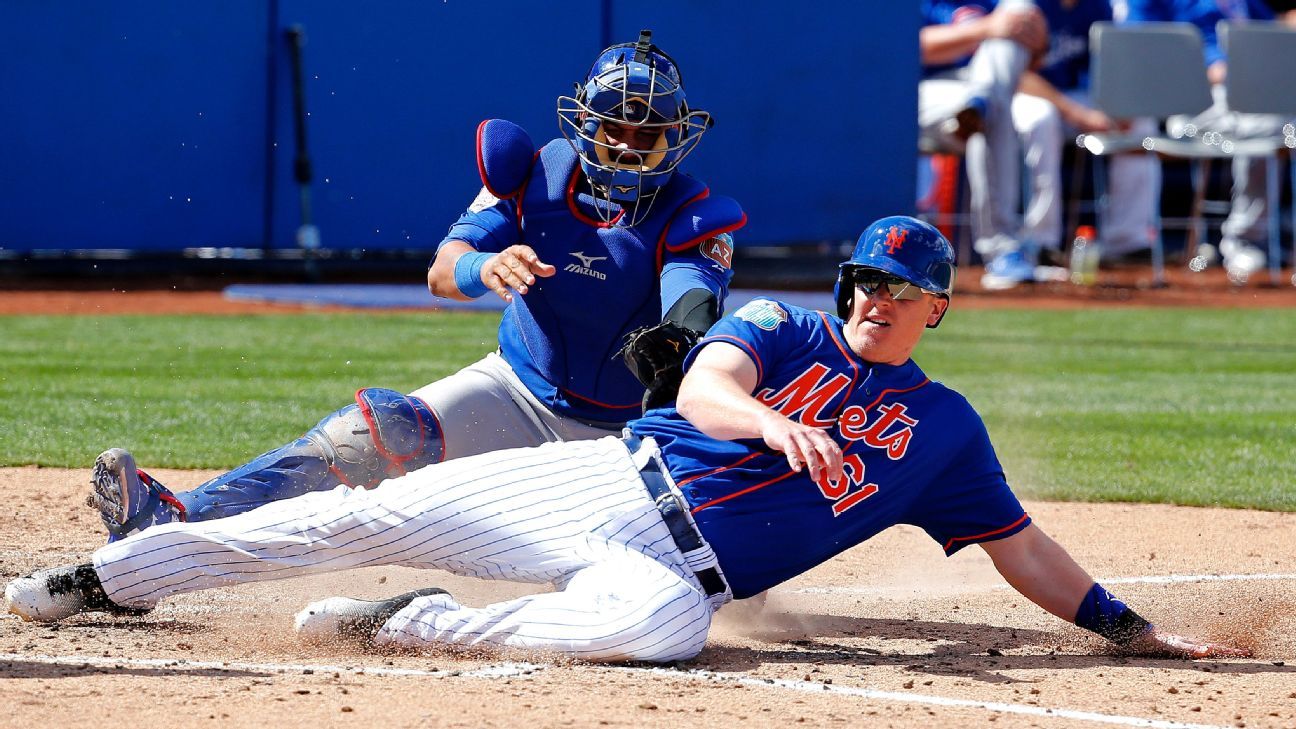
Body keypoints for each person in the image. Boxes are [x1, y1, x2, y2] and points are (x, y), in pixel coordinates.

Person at [6, 216, 1247, 665]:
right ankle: (101, 579)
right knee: (353, 514)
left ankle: (413, 623)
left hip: (668, 570)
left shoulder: (946, 432)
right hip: (598, 480)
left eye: (897, 288)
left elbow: (1018, 545)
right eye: (862, 278)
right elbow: (706, 388)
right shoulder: (783, 323)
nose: (872, 298)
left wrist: (1126, 630)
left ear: (937, 307)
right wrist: (776, 422)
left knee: (662, 632)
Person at [84, 29, 746, 542]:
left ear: (675, 138)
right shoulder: (530, 173)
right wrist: (481, 268)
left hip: (629, 429)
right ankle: (179, 515)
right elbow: (441, 268)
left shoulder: (695, 214)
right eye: (615, 130)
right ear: (586, 124)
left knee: (689, 556)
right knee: (377, 434)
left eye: (648, 135)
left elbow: (692, 301)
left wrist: (681, 338)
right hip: (520, 391)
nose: (630, 148)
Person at [1118, 0, 1289, 283]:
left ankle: (1262, 236)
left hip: (1247, 95)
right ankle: (1246, 241)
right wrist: (1205, 68)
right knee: (1268, 122)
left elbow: (1266, 34)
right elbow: (1138, 44)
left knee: (1274, 118)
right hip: (1191, 100)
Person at [1012, 0, 1158, 262]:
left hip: (1074, 98)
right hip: (1026, 96)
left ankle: (1127, 240)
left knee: (1139, 122)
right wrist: (1078, 114)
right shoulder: (1025, 7)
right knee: (1041, 120)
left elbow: (1110, 66)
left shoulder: (1098, 7)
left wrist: (1118, 102)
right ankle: (1040, 242)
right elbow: (1016, 75)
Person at [919, 0, 1051, 290]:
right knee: (996, 108)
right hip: (922, 92)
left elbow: (1032, 61)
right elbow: (910, 47)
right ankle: (1003, 251)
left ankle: (980, 102)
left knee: (992, 111)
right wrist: (988, 28)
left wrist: (1038, 41)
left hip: (983, 90)